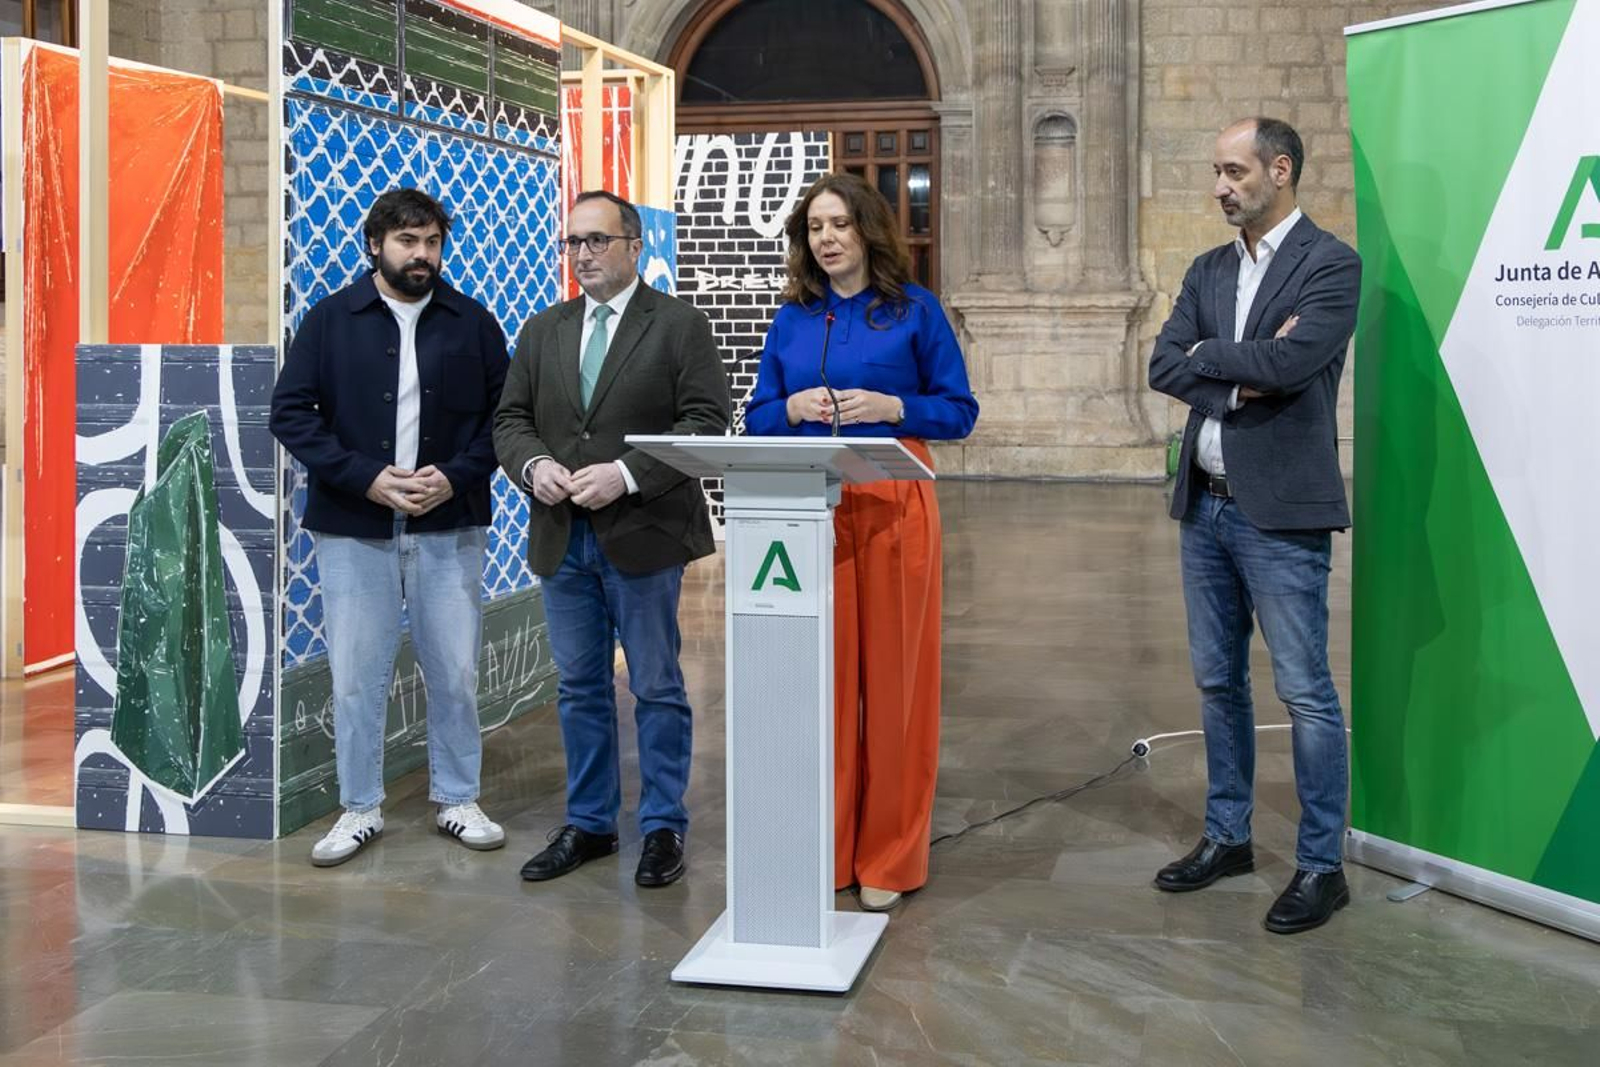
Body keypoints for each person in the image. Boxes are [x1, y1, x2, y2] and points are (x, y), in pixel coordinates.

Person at [1147, 118, 1362, 934]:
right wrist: (1237, 370)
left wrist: (1208, 354)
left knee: (1305, 692)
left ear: (1280, 169)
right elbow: (1164, 362)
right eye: (1216, 171)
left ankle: (1321, 865)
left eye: (1234, 171)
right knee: (1216, 681)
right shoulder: (1209, 268)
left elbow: (1294, 363)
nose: (1219, 187)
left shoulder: (1330, 264)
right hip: (1203, 505)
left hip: (1280, 512)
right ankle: (1228, 836)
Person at [743, 173, 979, 912]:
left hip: (894, 507)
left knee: (896, 684)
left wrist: (893, 404)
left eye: (840, 223)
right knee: (823, 685)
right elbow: (755, 417)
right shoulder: (793, 319)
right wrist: (791, 406)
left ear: (868, 229)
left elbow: (960, 411)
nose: (827, 238)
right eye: (815, 227)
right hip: (810, 510)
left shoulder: (915, 311)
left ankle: (889, 855)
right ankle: (829, 844)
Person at [495, 190, 730, 888]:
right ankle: (591, 822)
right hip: (562, 535)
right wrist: (534, 467)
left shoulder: (679, 324)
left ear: (634, 245)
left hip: (645, 533)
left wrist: (626, 475)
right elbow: (511, 420)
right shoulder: (544, 329)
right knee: (579, 687)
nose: (584, 254)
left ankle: (662, 826)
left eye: (597, 240)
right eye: (574, 242)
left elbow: (705, 421)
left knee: (655, 685)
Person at [270, 187, 509, 866]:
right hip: (354, 525)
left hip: (449, 523)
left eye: (432, 242)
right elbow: (290, 413)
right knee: (355, 675)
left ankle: (458, 798)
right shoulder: (330, 319)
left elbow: (507, 419)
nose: (421, 254)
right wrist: (365, 476)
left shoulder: (473, 323)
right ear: (375, 244)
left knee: (455, 671)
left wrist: (455, 476)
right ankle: (359, 807)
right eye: (407, 241)